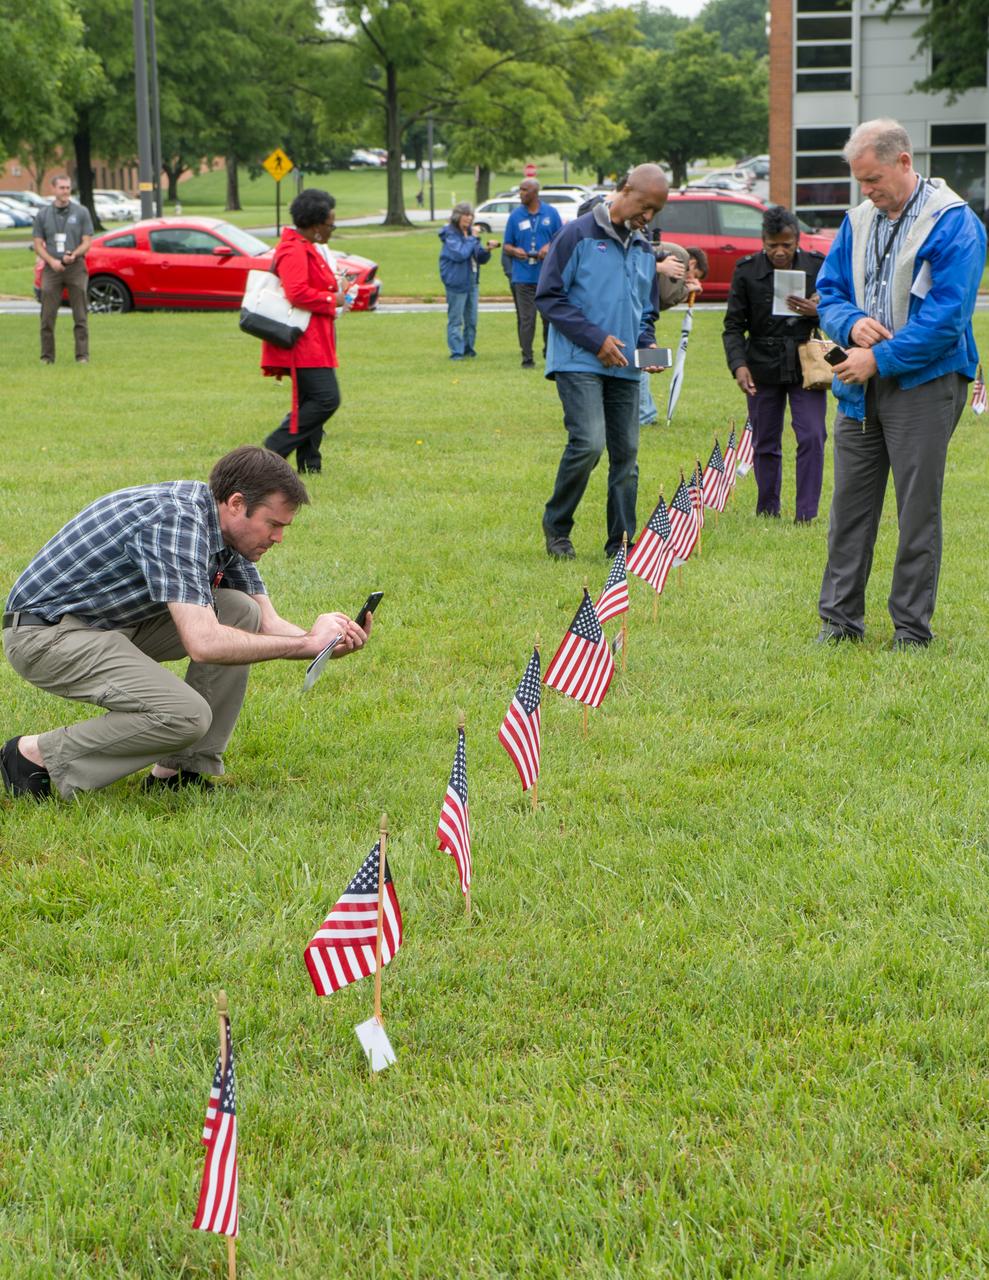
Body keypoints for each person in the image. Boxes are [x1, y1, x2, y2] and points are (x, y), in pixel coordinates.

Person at [0, 447, 370, 800]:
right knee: (186, 715)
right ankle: (33, 755)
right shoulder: (176, 522)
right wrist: (306, 644)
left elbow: (266, 623)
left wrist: (325, 642)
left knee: (240, 610)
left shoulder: (221, 525)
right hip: (44, 635)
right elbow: (204, 643)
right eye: (272, 524)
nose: (278, 537)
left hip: (107, 625)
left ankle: (178, 773)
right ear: (236, 503)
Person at [814, 118, 985, 648]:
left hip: (926, 383)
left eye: (874, 179)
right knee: (849, 508)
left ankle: (911, 630)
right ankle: (839, 622)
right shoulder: (858, 220)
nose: (867, 190)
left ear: (904, 162)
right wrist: (850, 324)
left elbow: (947, 317)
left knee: (916, 510)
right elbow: (829, 291)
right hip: (858, 387)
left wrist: (879, 358)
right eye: (860, 181)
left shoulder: (953, 222)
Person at [536, 164, 669, 559]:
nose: (648, 217)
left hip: (625, 367)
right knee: (590, 444)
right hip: (578, 360)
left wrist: (647, 346)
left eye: (655, 212)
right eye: (645, 206)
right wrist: (596, 340)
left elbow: (646, 312)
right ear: (624, 190)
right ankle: (557, 527)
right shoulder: (576, 235)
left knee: (626, 455)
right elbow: (549, 295)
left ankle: (621, 543)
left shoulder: (644, 249)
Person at [722, 206, 828, 522]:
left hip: (805, 363)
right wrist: (738, 365)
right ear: (762, 241)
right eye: (772, 245)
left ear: (798, 240)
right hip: (761, 364)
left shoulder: (817, 267)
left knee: (812, 435)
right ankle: (768, 509)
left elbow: (839, 308)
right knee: (765, 440)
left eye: (787, 245)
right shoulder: (746, 270)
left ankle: (806, 514)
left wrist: (817, 311)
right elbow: (733, 325)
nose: (780, 252)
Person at [262, 189, 347, 475]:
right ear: (316, 225)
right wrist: (331, 299)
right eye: (331, 224)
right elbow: (297, 292)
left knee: (310, 402)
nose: (333, 229)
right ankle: (272, 451)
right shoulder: (294, 249)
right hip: (304, 343)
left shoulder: (306, 246)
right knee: (326, 399)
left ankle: (310, 465)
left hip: (316, 338)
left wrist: (336, 289)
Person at [639, 239, 707, 426]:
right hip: (638, 318)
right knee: (643, 360)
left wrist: (684, 289)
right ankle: (643, 415)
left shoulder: (668, 251)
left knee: (641, 360)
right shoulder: (680, 256)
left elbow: (658, 300)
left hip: (639, 315)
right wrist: (687, 289)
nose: (690, 279)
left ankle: (646, 412)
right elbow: (667, 297)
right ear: (692, 263)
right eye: (694, 275)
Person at [33, 174, 93, 365]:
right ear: (53, 189)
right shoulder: (43, 214)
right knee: (47, 316)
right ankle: (47, 357)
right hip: (52, 269)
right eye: (62, 188)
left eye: (68, 188)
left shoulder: (81, 212)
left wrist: (74, 255)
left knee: (80, 314)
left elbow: (87, 241)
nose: (66, 191)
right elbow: (38, 244)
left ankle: (82, 356)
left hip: (76, 267)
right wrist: (52, 261)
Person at [503, 179, 563, 368]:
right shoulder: (515, 216)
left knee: (548, 318)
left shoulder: (551, 213)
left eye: (525, 190)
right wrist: (515, 251)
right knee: (526, 319)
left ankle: (549, 351)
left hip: (546, 276)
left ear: (535, 192)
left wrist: (549, 246)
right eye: (520, 189)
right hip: (523, 277)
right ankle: (527, 357)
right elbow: (506, 245)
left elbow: (561, 239)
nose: (521, 193)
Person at [437, 203, 497, 359]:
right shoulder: (450, 235)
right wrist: (473, 238)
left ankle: (468, 349)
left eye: (471, 215)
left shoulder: (470, 234)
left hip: (472, 280)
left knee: (472, 320)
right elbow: (460, 254)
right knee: (456, 320)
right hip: (456, 281)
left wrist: (487, 250)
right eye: (466, 215)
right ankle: (457, 353)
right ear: (457, 216)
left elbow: (479, 258)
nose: (469, 218)